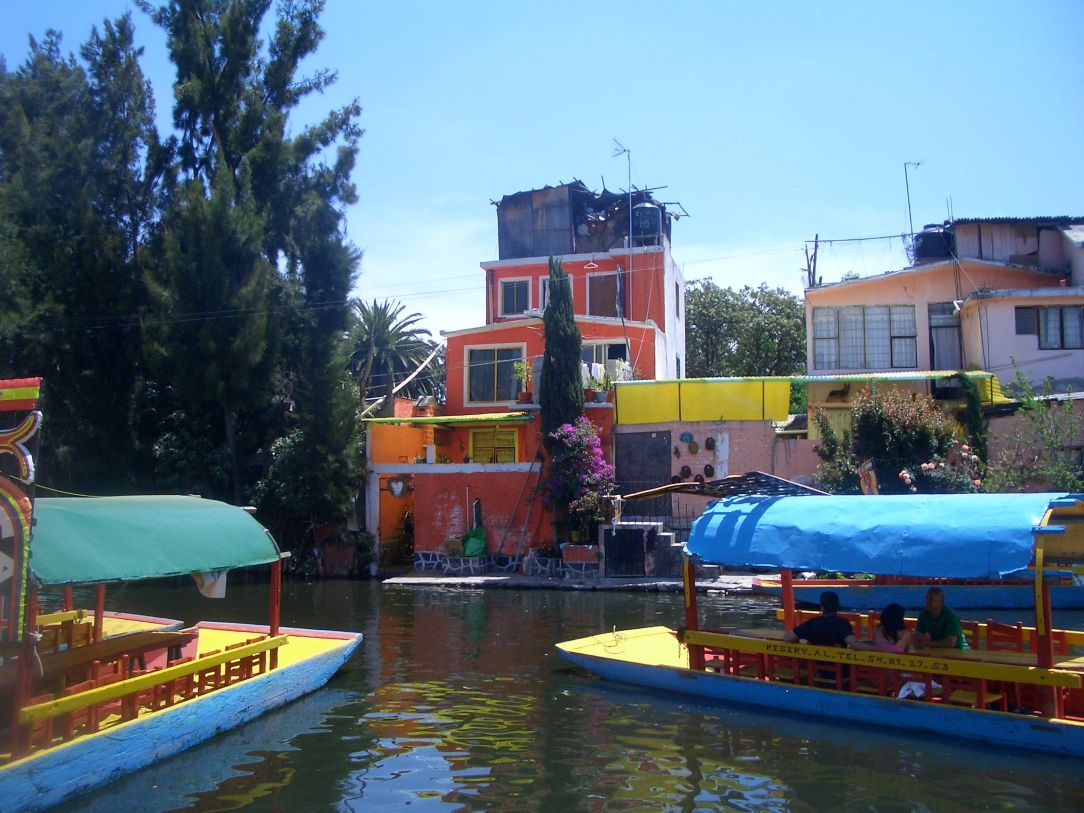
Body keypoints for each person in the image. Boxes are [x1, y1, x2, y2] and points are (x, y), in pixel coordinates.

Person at [783, 591, 859, 648]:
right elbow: (854, 644)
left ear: (822, 608)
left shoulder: (812, 623)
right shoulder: (843, 623)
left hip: (814, 666)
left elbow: (787, 638)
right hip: (839, 666)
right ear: (837, 607)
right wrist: (870, 647)